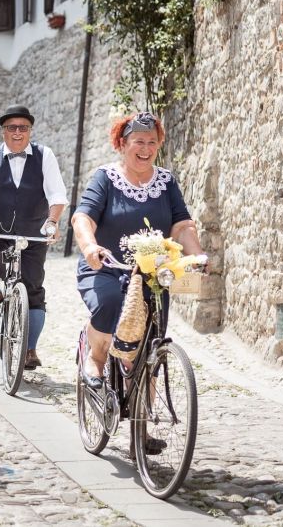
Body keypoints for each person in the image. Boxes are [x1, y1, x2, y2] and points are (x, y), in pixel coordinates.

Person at [70, 111, 206, 389]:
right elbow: (82, 217)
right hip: (107, 268)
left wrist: (197, 256)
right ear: (122, 144)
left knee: (153, 338)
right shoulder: (105, 178)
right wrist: (89, 246)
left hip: (152, 274)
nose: (146, 149)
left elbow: (181, 225)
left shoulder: (166, 182)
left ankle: (146, 420)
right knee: (109, 304)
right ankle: (95, 356)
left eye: (152, 143)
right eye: (139, 142)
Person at [0, 105, 67, 371]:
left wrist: (52, 223)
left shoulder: (44, 155)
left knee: (33, 291)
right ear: (3, 131)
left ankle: (29, 350)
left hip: (34, 233)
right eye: (11, 128)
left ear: (30, 131)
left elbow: (57, 194)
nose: (17, 132)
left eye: (23, 128)